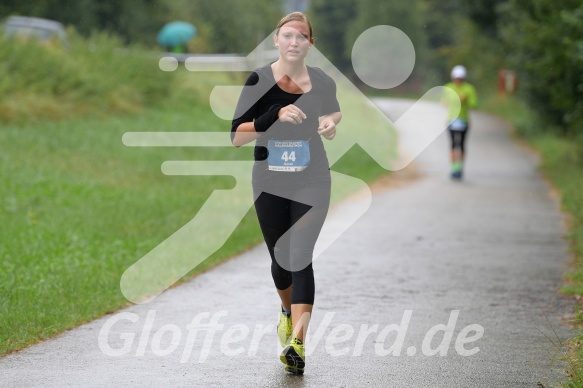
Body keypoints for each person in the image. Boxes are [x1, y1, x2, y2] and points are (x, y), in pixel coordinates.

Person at [230, 12, 341, 375]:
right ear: (277, 40)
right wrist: (273, 115)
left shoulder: (322, 81)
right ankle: (285, 310)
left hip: (312, 178)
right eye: (288, 35)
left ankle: (298, 343)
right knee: (281, 262)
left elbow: (334, 112)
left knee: (300, 256)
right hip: (269, 181)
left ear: (311, 44)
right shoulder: (258, 80)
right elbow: (237, 136)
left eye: (302, 37)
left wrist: (329, 122)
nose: (295, 42)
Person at [443, 65, 477, 180]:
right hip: (452, 120)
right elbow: (444, 102)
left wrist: (466, 99)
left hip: (464, 120)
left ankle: (460, 169)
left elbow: (474, 104)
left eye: (460, 78)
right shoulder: (448, 87)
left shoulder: (469, 89)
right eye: (456, 78)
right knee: (453, 144)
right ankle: (453, 169)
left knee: (461, 145)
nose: (458, 81)